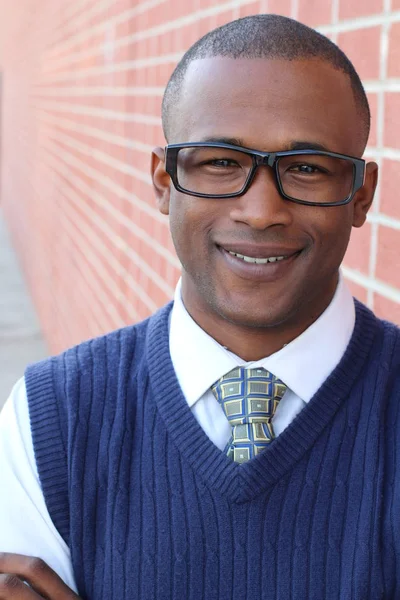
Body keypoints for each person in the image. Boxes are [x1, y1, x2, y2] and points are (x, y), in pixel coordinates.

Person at [0, 12, 397, 599]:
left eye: (307, 168)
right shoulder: (51, 419)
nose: (261, 211)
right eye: (220, 162)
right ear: (163, 180)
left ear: (360, 195)